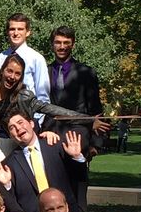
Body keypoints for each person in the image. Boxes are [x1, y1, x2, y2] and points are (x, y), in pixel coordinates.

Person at [3, 110, 88, 212]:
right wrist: (7, 185)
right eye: (12, 127)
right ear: (10, 135)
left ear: (31, 124)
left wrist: (77, 158)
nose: (18, 128)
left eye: (20, 122)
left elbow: (80, 179)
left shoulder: (56, 145)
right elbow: (13, 203)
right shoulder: (9, 164)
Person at [0, 54, 82, 138]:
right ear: (2, 70)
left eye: (17, 74)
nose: (12, 76)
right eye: (9, 71)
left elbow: (51, 109)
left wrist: (87, 119)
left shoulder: (24, 97)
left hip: (9, 143)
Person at [46, 26, 109, 156]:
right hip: (50, 134)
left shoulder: (86, 72)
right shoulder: (44, 71)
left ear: (73, 45)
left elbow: (95, 108)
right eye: (58, 42)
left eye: (66, 43)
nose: (62, 47)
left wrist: (95, 145)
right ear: (52, 45)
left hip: (78, 135)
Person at [0, 13, 51, 105]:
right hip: (2, 113)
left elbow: (43, 95)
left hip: (26, 114)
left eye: (20, 29)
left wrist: (36, 118)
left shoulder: (36, 59)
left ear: (27, 32)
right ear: (7, 32)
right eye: (12, 29)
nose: (16, 33)